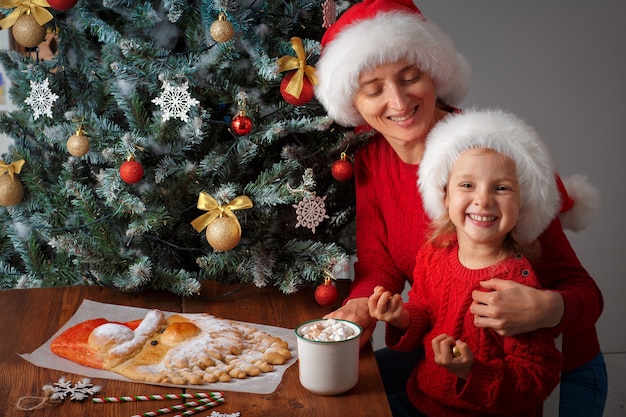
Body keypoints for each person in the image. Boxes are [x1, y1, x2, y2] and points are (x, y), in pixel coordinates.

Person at [313, 0, 607, 415]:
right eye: (374, 89)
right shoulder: (372, 157)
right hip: (448, 359)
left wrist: (548, 308)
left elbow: (584, 293)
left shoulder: (486, 161)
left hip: (551, 375)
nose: (397, 102)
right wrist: (362, 305)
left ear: (434, 73)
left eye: (410, 77)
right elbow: (381, 266)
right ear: (353, 103)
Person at [369, 108, 564, 416]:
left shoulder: (516, 284)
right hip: (423, 400)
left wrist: (471, 371)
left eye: (501, 188)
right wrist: (402, 318)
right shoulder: (435, 253)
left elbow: (538, 377)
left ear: (521, 202)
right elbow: (426, 310)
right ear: (444, 195)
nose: (483, 200)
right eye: (467, 185)